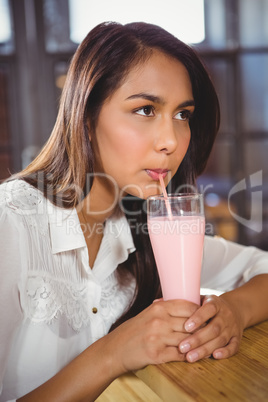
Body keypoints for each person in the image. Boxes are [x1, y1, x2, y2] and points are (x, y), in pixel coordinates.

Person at [0, 21, 268, 401]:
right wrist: (115, 352)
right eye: (145, 109)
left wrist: (234, 312)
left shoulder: (151, 225)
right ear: (87, 115)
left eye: (183, 115)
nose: (171, 142)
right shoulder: (10, 222)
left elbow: (262, 269)